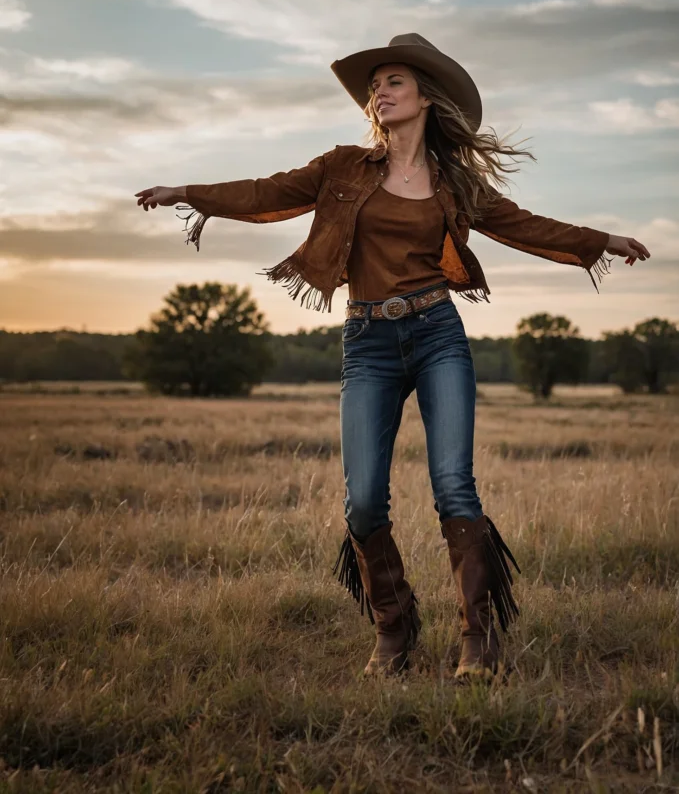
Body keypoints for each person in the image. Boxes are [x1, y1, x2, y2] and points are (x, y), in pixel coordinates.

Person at [135, 33, 650, 682]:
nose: (379, 91)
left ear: (425, 98)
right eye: (375, 85)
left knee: (453, 485)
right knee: (363, 502)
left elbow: (523, 223)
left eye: (394, 81)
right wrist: (190, 191)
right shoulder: (343, 167)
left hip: (437, 333)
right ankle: (394, 624)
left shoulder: (454, 182)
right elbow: (266, 191)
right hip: (367, 342)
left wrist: (599, 239)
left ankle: (478, 638)